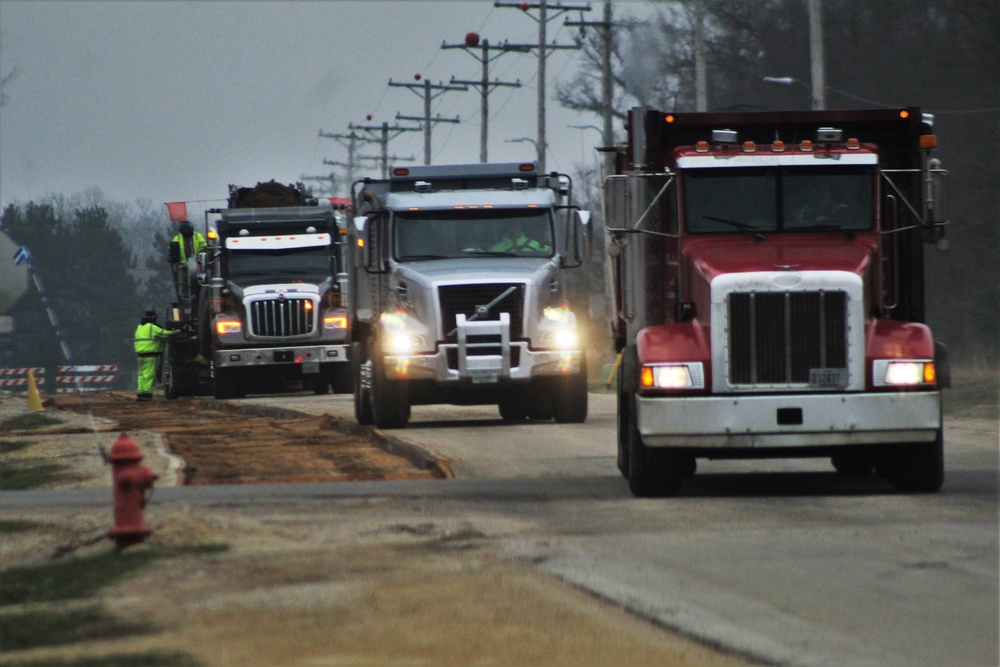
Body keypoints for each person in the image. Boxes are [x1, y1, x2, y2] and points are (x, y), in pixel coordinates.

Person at [133, 310, 176, 401]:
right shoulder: (152, 327)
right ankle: (147, 394)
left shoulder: (139, 327)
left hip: (140, 356)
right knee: (150, 375)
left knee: (141, 375)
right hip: (150, 356)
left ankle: (140, 392)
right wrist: (179, 330)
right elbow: (166, 333)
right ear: (153, 318)